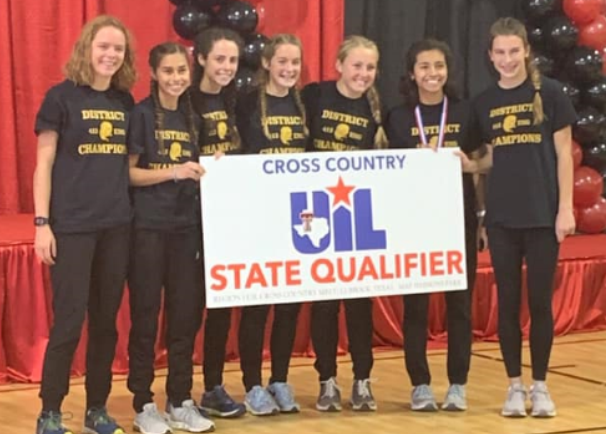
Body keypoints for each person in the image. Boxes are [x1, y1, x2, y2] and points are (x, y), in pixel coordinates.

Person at [33, 15, 136, 434]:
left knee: (107, 323)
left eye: (118, 49)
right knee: (69, 321)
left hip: (117, 226)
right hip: (72, 225)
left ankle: (97, 408)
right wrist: (43, 222)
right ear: (86, 49)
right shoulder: (60, 98)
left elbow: (130, 167)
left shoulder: (125, 102)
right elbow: (44, 162)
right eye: (104, 47)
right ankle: (50, 411)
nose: (110, 55)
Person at [472, 17, 576, 418]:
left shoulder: (551, 94)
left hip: (542, 216)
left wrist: (565, 207)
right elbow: (487, 159)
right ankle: (514, 386)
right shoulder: (484, 102)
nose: (507, 59)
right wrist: (461, 166)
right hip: (502, 220)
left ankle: (541, 386)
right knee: (509, 304)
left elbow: (564, 154)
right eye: (500, 52)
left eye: (514, 51)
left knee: (540, 305)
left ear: (527, 51)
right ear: (490, 56)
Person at [384, 38, 480, 412]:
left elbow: (484, 158)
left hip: (459, 223)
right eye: (424, 66)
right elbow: (386, 171)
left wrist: (470, 165)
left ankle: (458, 384)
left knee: (460, 306)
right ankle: (419, 384)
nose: (432, 74)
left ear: (447, 71)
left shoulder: (465, 111)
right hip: (415, 225)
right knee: (417, 308)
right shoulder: (397, 116)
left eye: (438, 66)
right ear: (412, 73)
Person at [126, 41, 214, 434]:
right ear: (155, 74)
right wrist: (173, 172)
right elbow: (128, 174)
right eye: (169, 71)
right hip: (147, 228)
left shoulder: (195, 117)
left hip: (186, 230)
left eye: (182, 70)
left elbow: (200, 169)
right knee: (146, 316)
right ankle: (143, 403)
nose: (177, 78)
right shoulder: (141, 115)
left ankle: (180, 398)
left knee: (184, 317)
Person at [302, 35, 388, 412]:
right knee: (323, 306)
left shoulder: (377, 111)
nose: (363, 73)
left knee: (359, 306)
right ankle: (327, 381)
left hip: (355, 221)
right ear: (338, 65)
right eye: (356, 65)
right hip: (315, 216)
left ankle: (363, 380)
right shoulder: (314, 96)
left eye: (370, 67)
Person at [235, 33, 308, 416]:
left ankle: (280, 377)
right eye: (282, 61)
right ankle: (252, 384)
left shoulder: (304, 103)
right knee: (256, 307)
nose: (289, 69)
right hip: (257, 218)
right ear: (266, 63)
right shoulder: (246, 104)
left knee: (289, 307)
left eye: (295, 63)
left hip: (295, 220)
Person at [191, 26, 246, 418]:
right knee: (188, 309)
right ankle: (178, 391)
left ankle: (213, 386)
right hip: (187, 219)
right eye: (220, 59)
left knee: (221, 308)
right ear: (201, 60)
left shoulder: (239, 102)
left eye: (233, 60)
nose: (226, 67)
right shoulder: (183, 100)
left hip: (228, 217)